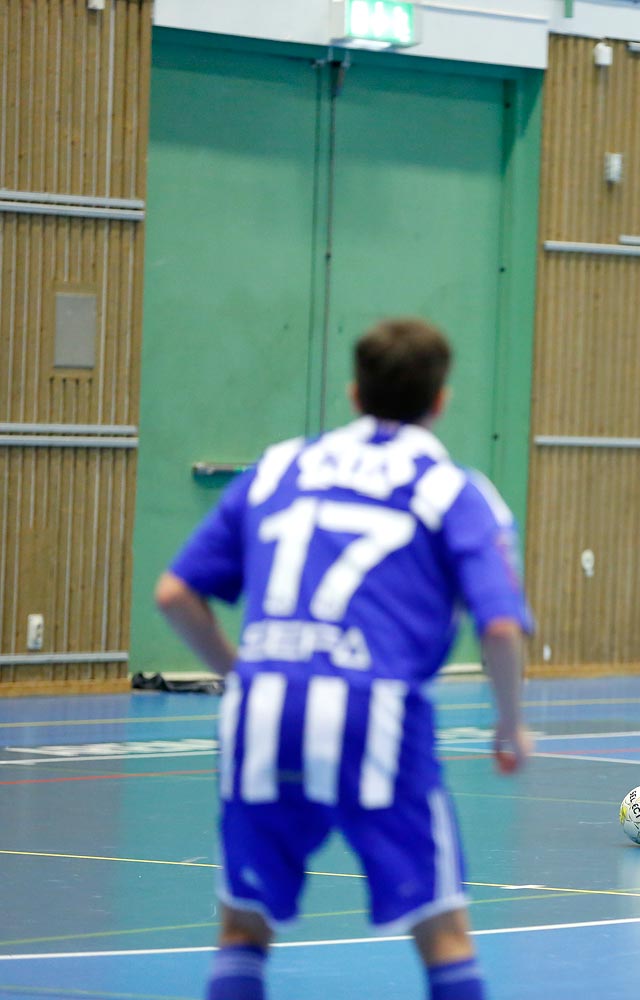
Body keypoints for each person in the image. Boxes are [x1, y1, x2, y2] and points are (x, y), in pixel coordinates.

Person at [155, 317, 532, 1000]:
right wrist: (510, 724)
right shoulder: (453, 489)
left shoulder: (276, 467)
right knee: (443, 932)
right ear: (441, 399)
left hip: (262, 707)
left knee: (242, 930)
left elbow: (175, 593)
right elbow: (500, 628)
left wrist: (243, 673)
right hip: (373, 708)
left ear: (354, 392)